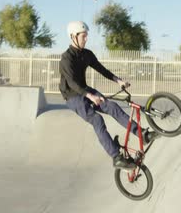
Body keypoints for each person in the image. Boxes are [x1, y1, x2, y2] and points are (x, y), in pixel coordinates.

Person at [59, 21, 158, 170]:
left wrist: (118, 81)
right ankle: (116, 157)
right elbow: (72, 83)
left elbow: (102, 70)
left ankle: (141, 134)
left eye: (87, 36)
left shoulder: (87, 54)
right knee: (97, 119)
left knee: (113, 107)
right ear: (73, 36)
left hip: (85, 90)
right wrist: (90, 96)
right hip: (73, 97)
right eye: (83, 36)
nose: (86, 39)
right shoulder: (66, 58)